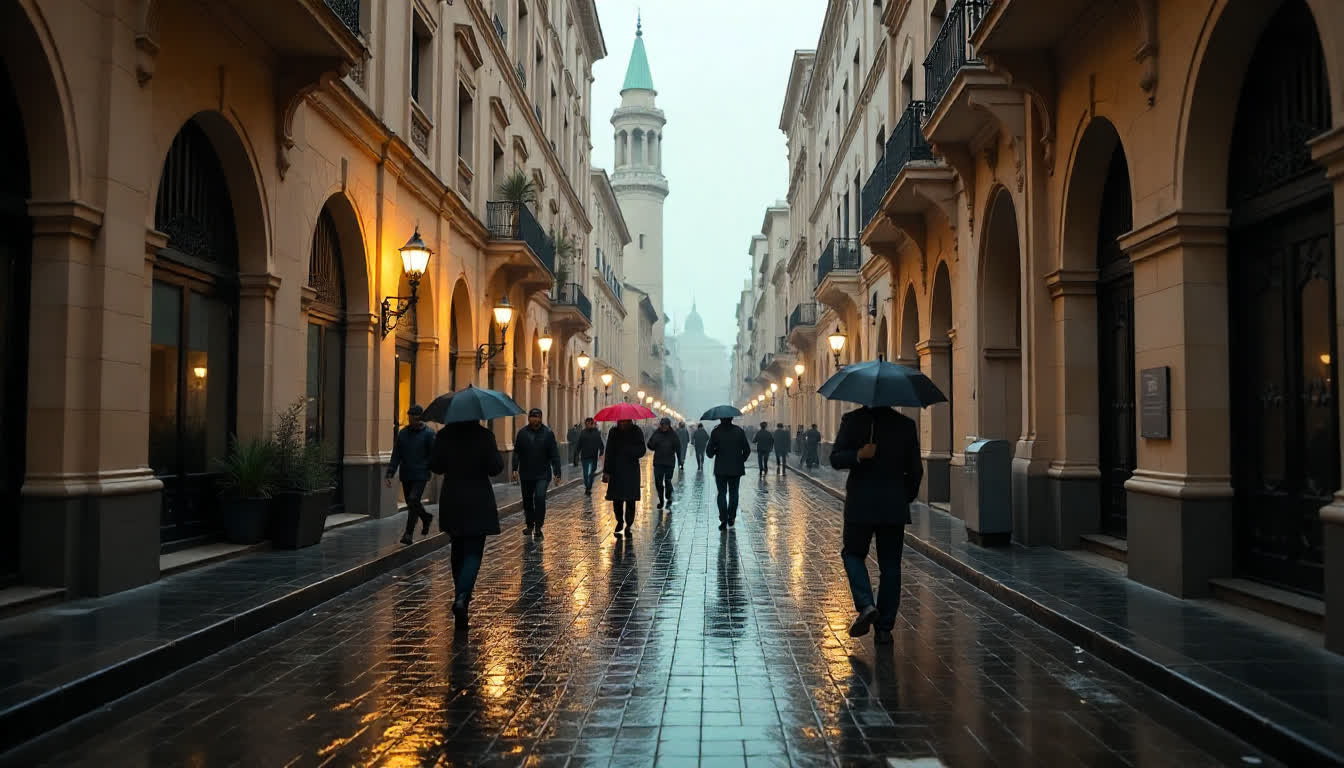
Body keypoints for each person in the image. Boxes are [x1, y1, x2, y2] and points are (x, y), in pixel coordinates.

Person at [831, 405, 923, 645]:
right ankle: (884, 628)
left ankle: (866, 604)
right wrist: (904, 497)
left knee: (852, 554)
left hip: (860, 505)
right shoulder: (906, 425)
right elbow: (915, 471)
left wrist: (857, 455)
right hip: (893, 506)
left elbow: (835, 458)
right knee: (890, 567)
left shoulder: (852, 420)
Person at [427, 418, 505, 629]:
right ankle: (462, 597)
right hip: (478, 498)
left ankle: (461, 600)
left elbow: (435, 466)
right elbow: (496, 468)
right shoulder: (484, 436)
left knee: (457, 550)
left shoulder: (445, 435)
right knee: (473, 552)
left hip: (452, 498)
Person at [386, 404, 436, 546]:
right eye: (410, 417)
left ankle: (408, 533)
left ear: (420, 418)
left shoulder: (429, 434)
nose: (411, 420)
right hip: (407, 473)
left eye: (414, 417)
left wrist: (429, 467)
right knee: (411, 503)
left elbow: (433, 454)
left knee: (413, 500)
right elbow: (396, 454)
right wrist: (390, 472)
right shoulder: (403, 433)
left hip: (421, 474)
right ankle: (426, 517)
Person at [512, 408, 562, 538]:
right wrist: (514, 468)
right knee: (527, 500)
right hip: (526, 473)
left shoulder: (548, 433)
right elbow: (517, 451)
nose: (534, 419)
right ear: (529, 418)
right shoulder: (522, 433)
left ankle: (538, 526)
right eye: (532, 417)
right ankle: (530, 525)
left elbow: (554, 454)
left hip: (542, 474)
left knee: (539, 498)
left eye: (537, 417)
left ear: (540, 418)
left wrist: (557, 472)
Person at [603, 418, 646, 534]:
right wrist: (606, 471)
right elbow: (609, 452)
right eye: (621, 421)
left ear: (629, 420)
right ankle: (619, 521)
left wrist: (630, 450)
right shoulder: (613, 432)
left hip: (631, 471)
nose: (622, 423)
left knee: (631, 500)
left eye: (625, 421)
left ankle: (629, 524)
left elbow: (642, 450)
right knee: (617, 499)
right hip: (616, 471)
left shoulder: (636, 431)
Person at [706, 417, 750, 530]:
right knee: (734, 493)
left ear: (720, 419)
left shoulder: (716, 432)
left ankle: (723, 518)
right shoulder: (739, 431)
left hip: (721, 468)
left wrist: (716, 450)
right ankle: (731, 517)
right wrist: (741, 460)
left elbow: (709, 453)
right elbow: (747, 450)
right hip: (736, 468)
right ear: (732, 418)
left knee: (721, 493)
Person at [647, 417, 681, 509]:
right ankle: (661, 500)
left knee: (668, 481)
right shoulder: (656, 433)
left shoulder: (673, 435)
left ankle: (669, 497)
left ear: (669, 425)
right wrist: (653, 444)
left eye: (666, 425)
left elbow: (678, 448)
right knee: (658, 483)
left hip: (669, 463)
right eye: (662, 425)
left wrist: (680, 461)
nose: (664, 427)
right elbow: (650, 445)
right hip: (658, 462)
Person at [576, 417, 605, 495]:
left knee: (591, 473)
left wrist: (601, 451)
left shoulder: (596, 433)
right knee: (586, 474)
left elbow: (601, 444)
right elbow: (579, 444)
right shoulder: (583, 433)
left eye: (589, 423)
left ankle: (589, 487)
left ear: (592, 424)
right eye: (586, 423)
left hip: (593, 457)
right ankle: (587, 487)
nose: (587, 425)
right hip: (584, 457)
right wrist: (576, 454)